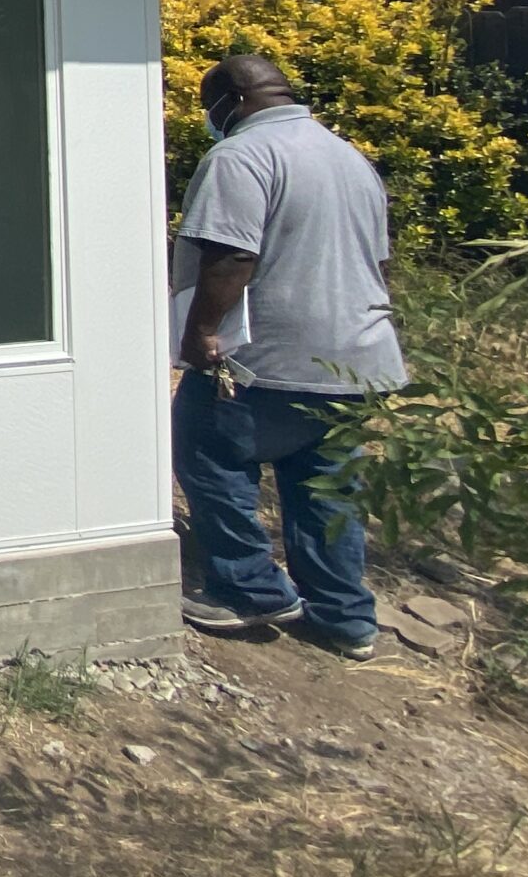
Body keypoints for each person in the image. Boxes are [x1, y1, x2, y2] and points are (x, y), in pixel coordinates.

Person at [172, 52, 401, 660]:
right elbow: (379, 263)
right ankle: (345, 616)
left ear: (233, 101)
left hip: (269, 356)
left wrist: (201, 336)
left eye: (209, 108)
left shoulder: (240, 156)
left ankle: (249, 590)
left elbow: (231, 256)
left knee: (209, 449)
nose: (209, 120)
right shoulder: (349, 158)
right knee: (327, 487)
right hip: (355, 357)